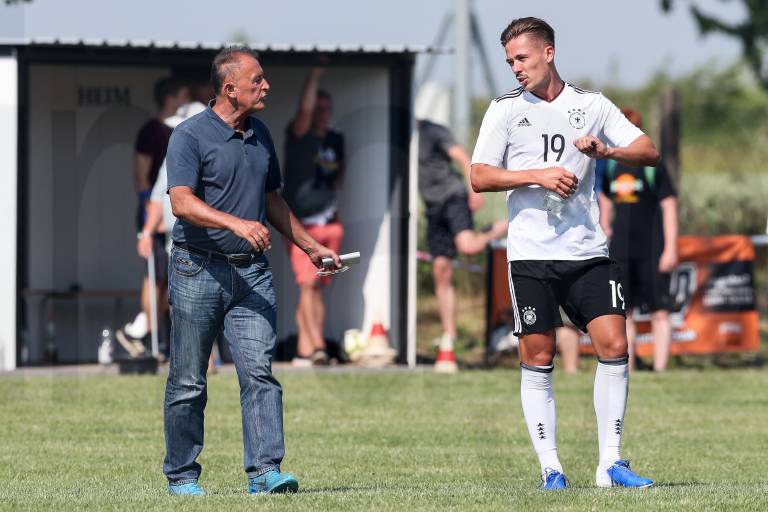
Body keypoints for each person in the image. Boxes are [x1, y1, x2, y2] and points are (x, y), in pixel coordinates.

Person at [470, 17, 658, 490]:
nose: (515, 68)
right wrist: (536, 174)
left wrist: (606, 151)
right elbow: (480, 176)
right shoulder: (505, 111)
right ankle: (551, 469)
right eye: (510, 61)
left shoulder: (591, 105)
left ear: (548, 53)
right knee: (539, 354)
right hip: (530, 255)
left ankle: (610, 464)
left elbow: (649, 151)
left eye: (522, 58)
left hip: (588, 251)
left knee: (615, 344)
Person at [162, 46, 340, 496]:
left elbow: (273, 200)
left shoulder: (260, 133)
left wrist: (310, 245)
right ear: (229, 88)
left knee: (259, 373)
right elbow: (181, 202)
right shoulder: (188, 136)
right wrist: (236, 223)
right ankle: (182, 475)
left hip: (252, 274)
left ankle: (264, 472)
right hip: (196, 269)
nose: (266, 86)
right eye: (257, 80)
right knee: (188, 380)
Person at [417, 119, 507, 373]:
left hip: (453, 197)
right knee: (440, 270)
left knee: (468, 247)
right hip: (432, 207)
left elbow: (461, 157)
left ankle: (498, 228)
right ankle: (450, 334)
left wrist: (473, 190)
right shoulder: (403, 137)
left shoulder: (432, 130)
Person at [599, 107, 679, 372]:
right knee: (624, 313)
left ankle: (660, 369)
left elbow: (669, 207)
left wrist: (670, 249)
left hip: (652, 248)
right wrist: (603, 231)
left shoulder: (653, 165)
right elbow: (606, 204)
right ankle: (629, 367)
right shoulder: (611, 166)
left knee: (659, 312)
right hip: (620, 249)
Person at [117, 77, 189, 357]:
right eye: (183, 94)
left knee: (170, 279)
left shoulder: (183, 130)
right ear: (171, 97)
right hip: (155, 212)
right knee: (156, 277)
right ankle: (144, 333)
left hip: (175, 212)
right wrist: (150, 212)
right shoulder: (152, 131)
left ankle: (146, 331)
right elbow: (141, 175)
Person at [282, 68, 345, 366]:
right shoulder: (299, 135)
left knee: (315, 286)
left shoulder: (335, 139)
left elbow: (338, 180)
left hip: (329, 223)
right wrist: (315, 76)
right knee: (309, 284)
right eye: (317, 109)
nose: (322, 114)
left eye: (327, 109)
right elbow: (304, 111)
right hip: (301, 227)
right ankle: (319, 346)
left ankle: (305, 350)